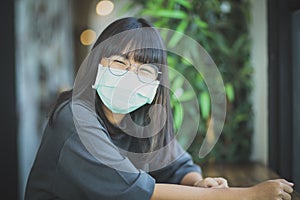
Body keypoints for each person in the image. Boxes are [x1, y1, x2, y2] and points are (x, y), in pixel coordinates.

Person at [25, 17, 294, 200]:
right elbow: (132, 189)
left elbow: (177, 165)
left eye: (144, 70)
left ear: (155, 82)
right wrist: (242, 195)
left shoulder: (142, 117)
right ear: (97, 63)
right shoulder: (74, 119)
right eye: (120, 62)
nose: (131, 75)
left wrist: (196, 182)